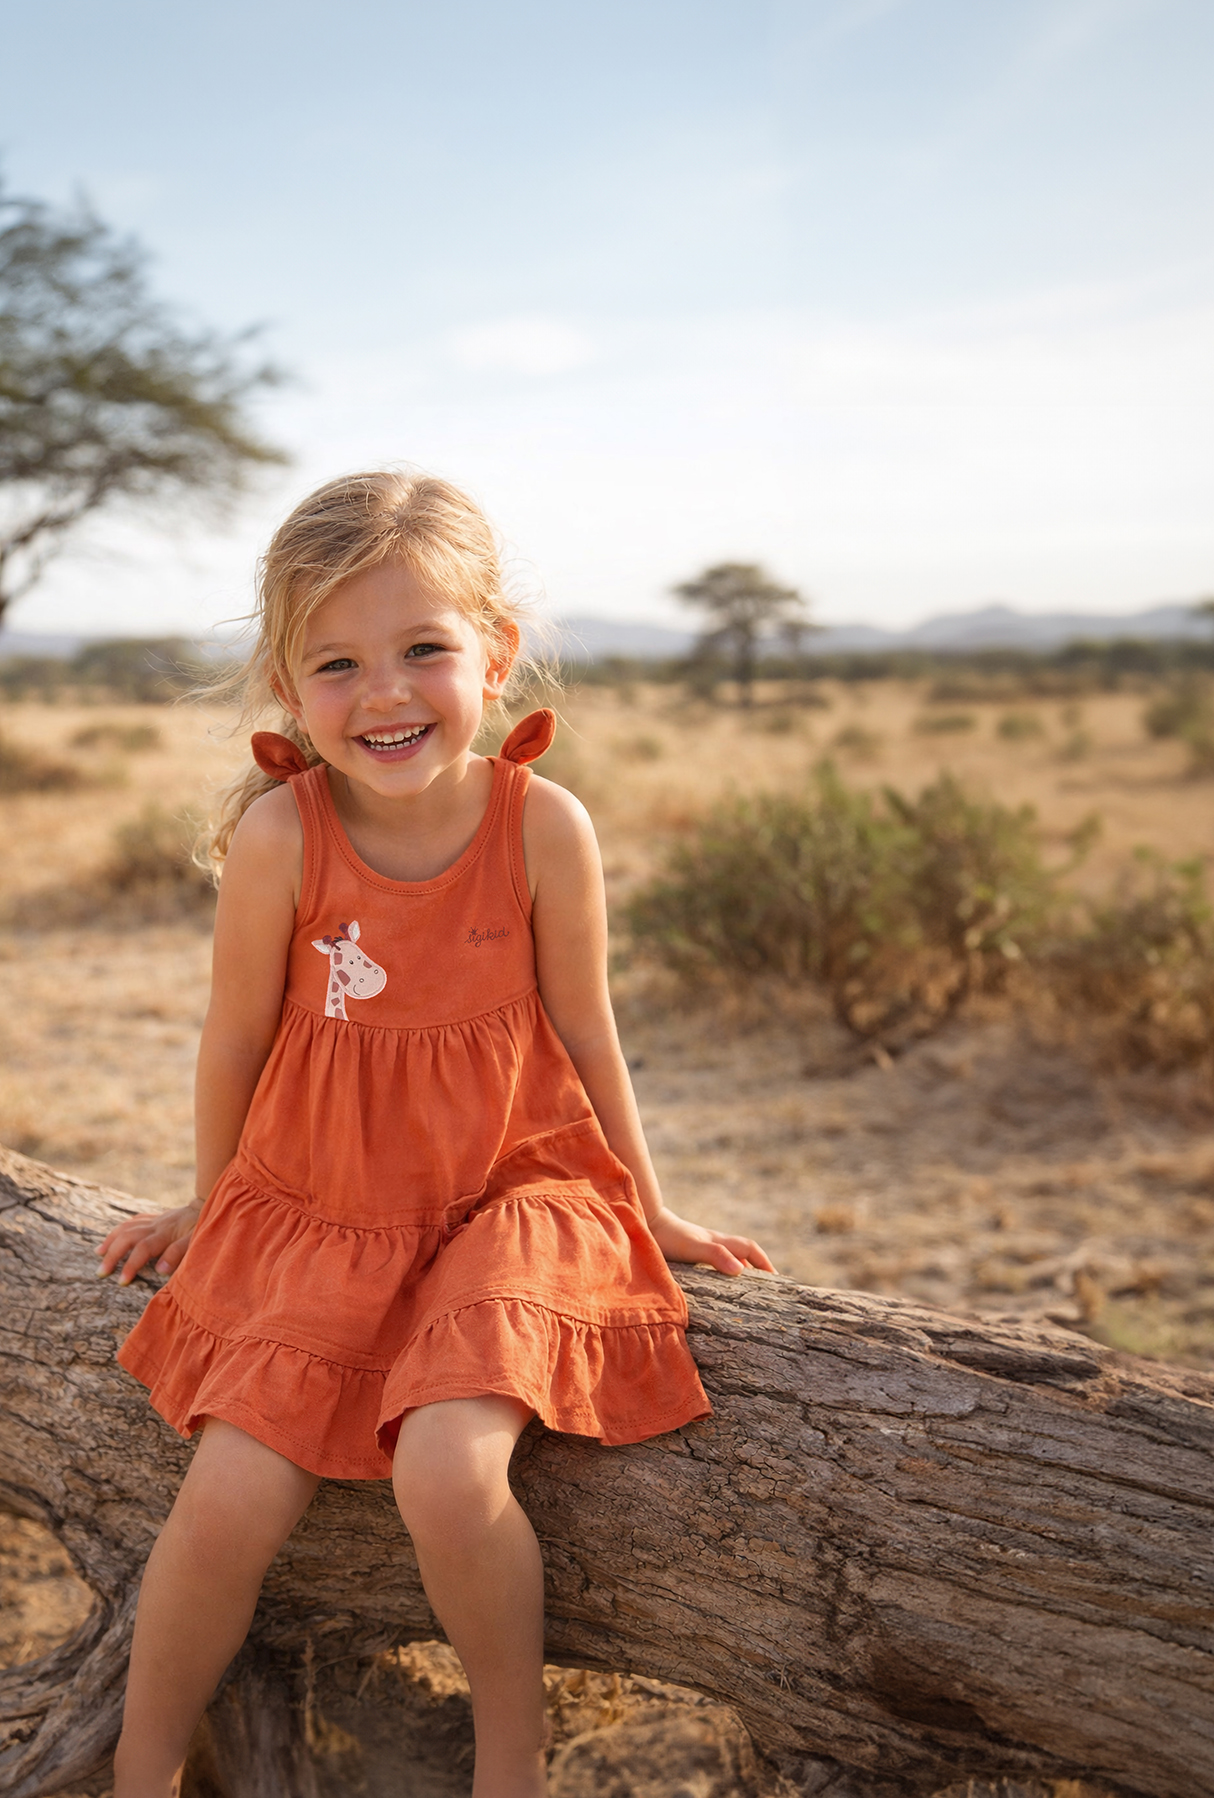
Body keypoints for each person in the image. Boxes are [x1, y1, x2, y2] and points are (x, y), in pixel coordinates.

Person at [96, 470, 775, 1797]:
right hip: (326, 1201)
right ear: (288, 687)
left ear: (495, 656)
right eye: (337, 663)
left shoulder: (543, 827)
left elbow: (588, 1029)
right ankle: (140, 1769)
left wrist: (651, 1207)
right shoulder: (283, 837)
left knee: (450, 1475)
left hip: (514, 1196)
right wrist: (212, 1203)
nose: (385, 694)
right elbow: (232, 1041)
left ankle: (509, 1764)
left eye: (423, 649)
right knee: (229, 1496)